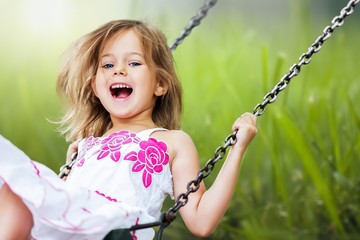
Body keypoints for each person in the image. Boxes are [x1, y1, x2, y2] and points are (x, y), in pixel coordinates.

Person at [0, 19, 257, 240]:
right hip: (73, 227)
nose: (119, 70)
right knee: (12, 193)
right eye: (108, 65)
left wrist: (238, 148)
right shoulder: (86, 145)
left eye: (134, 63)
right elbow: (61, 205)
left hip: (118, 229)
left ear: (160, 84)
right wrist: (72, 168)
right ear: (95, 86)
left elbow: (201, 222)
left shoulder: (172, 142)